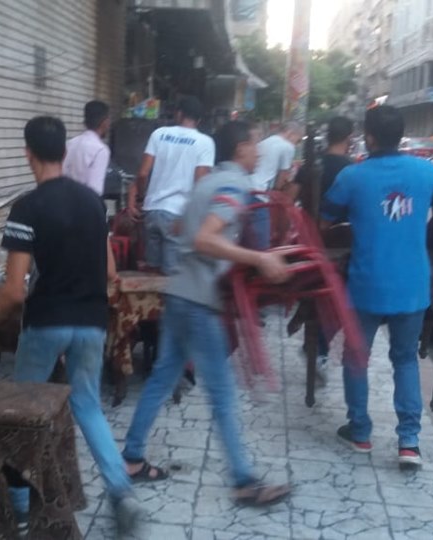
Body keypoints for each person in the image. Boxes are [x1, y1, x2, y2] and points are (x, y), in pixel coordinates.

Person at [0, 116, 141, 535]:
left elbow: (14, 291)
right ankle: (122, 492)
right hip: (91, 321)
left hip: (47, 320)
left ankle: (18, 507)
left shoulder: (27, 208)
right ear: (64, 153)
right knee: (87, 405)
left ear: (27, 153)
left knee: (19, 414)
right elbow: (109, 270)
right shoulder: (93, 203)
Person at [121, 120, 295, 506]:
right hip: (199, 301)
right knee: (221, 392)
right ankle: (243, 480)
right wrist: (258, 259)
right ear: (240, 148)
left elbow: (182, 226)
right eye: (254, 144)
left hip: (180, 292)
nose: (259, 151)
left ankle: (132, 457)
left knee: (162, 378)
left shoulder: (207, 183)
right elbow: (203, 238)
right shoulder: (233, 185)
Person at [321, 105, 433, 469]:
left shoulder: (352, 176)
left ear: (368, 137)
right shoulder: (427, 172)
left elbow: (324, 221)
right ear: (401, 135)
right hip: (412, 285)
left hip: (367, 284)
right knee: (405, 359)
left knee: (356, 357)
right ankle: (409, 443)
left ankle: (360, 431)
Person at [128, 96, 215, 275]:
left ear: (178, 114)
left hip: (152, 213)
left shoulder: (159, 134)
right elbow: (200, 183)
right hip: (178, 216)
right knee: (171, 277)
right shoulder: (205, 142)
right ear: (199, 120)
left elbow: (143, 174)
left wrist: (142, 197)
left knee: (151, 272)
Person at [297, 116, 355, 386]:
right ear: (349, 139)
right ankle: (318, 347)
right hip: (340, 246)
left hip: (308, 242)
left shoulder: (311, 165)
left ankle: (316, 346)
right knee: (337, 302)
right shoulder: (351, 170)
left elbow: (289, 196)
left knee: (318, 300)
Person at [249, 122, 303, 248]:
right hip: (261, 194)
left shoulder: (265, 142)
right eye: (298, 140)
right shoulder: (287, 147)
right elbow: (282, 177)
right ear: (291, 133)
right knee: (262, 241)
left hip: (249, 187)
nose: (297, 144)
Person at [64, 100, 112, 196]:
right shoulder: (101, 150)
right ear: (104, 122)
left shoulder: (70, 144)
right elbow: (95, 191)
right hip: (85, 203)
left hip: (65, 200)